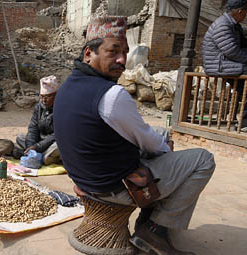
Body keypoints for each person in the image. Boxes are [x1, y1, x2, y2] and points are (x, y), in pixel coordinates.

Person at [54, 16, 215, 254]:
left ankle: (155, 212)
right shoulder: (112, 95)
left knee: (159, 134)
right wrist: (165, 151)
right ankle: (155, 229)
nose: (122, 60)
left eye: (125, 52)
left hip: (85, 176)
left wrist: (159, 145)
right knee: (202, 159)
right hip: (112, 186)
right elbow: (150, 143)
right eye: (113, 51)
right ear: (89, 53)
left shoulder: (69, 85)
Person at [202, 0, 247, 130]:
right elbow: (232, 51)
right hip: (219, 65)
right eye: (245, 12)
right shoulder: (223, 25)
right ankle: (244, 124)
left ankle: (241, 122)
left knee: (243, 90)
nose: (245, 15)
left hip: (229, 63)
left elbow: (241, 45)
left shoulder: (233, 24)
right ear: (240, 11)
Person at [13, 75, 61, 166]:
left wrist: (37, 147)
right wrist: (30, 146)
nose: (44, 100)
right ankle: (38, 155)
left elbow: (56, 134)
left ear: (56, 95)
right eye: (42, 97)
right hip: (40, 140)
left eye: (47, 97)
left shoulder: (62, 108)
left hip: (53, 141)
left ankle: (41, 156)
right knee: (21, 137)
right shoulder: (39, 107)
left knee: (58, 146)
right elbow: (33, 128)